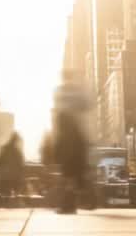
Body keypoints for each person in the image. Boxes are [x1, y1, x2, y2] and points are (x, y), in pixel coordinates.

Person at [52, 70, 92, 215]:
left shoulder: (59, 91)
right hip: (76, 134)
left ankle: (68, 204)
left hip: (66, 135)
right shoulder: (77, 90)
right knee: (75, 171)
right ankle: (73, 202)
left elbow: (57, 113)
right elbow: (87, 105)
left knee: (67, 172)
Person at [0, 132, 26, 203]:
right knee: (16, 193)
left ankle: (5, 203)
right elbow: (21, 164)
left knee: (5, 193)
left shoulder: (5, 149)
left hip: (5, 175)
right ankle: (13, 203)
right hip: (14, 175)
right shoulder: (17, 151)